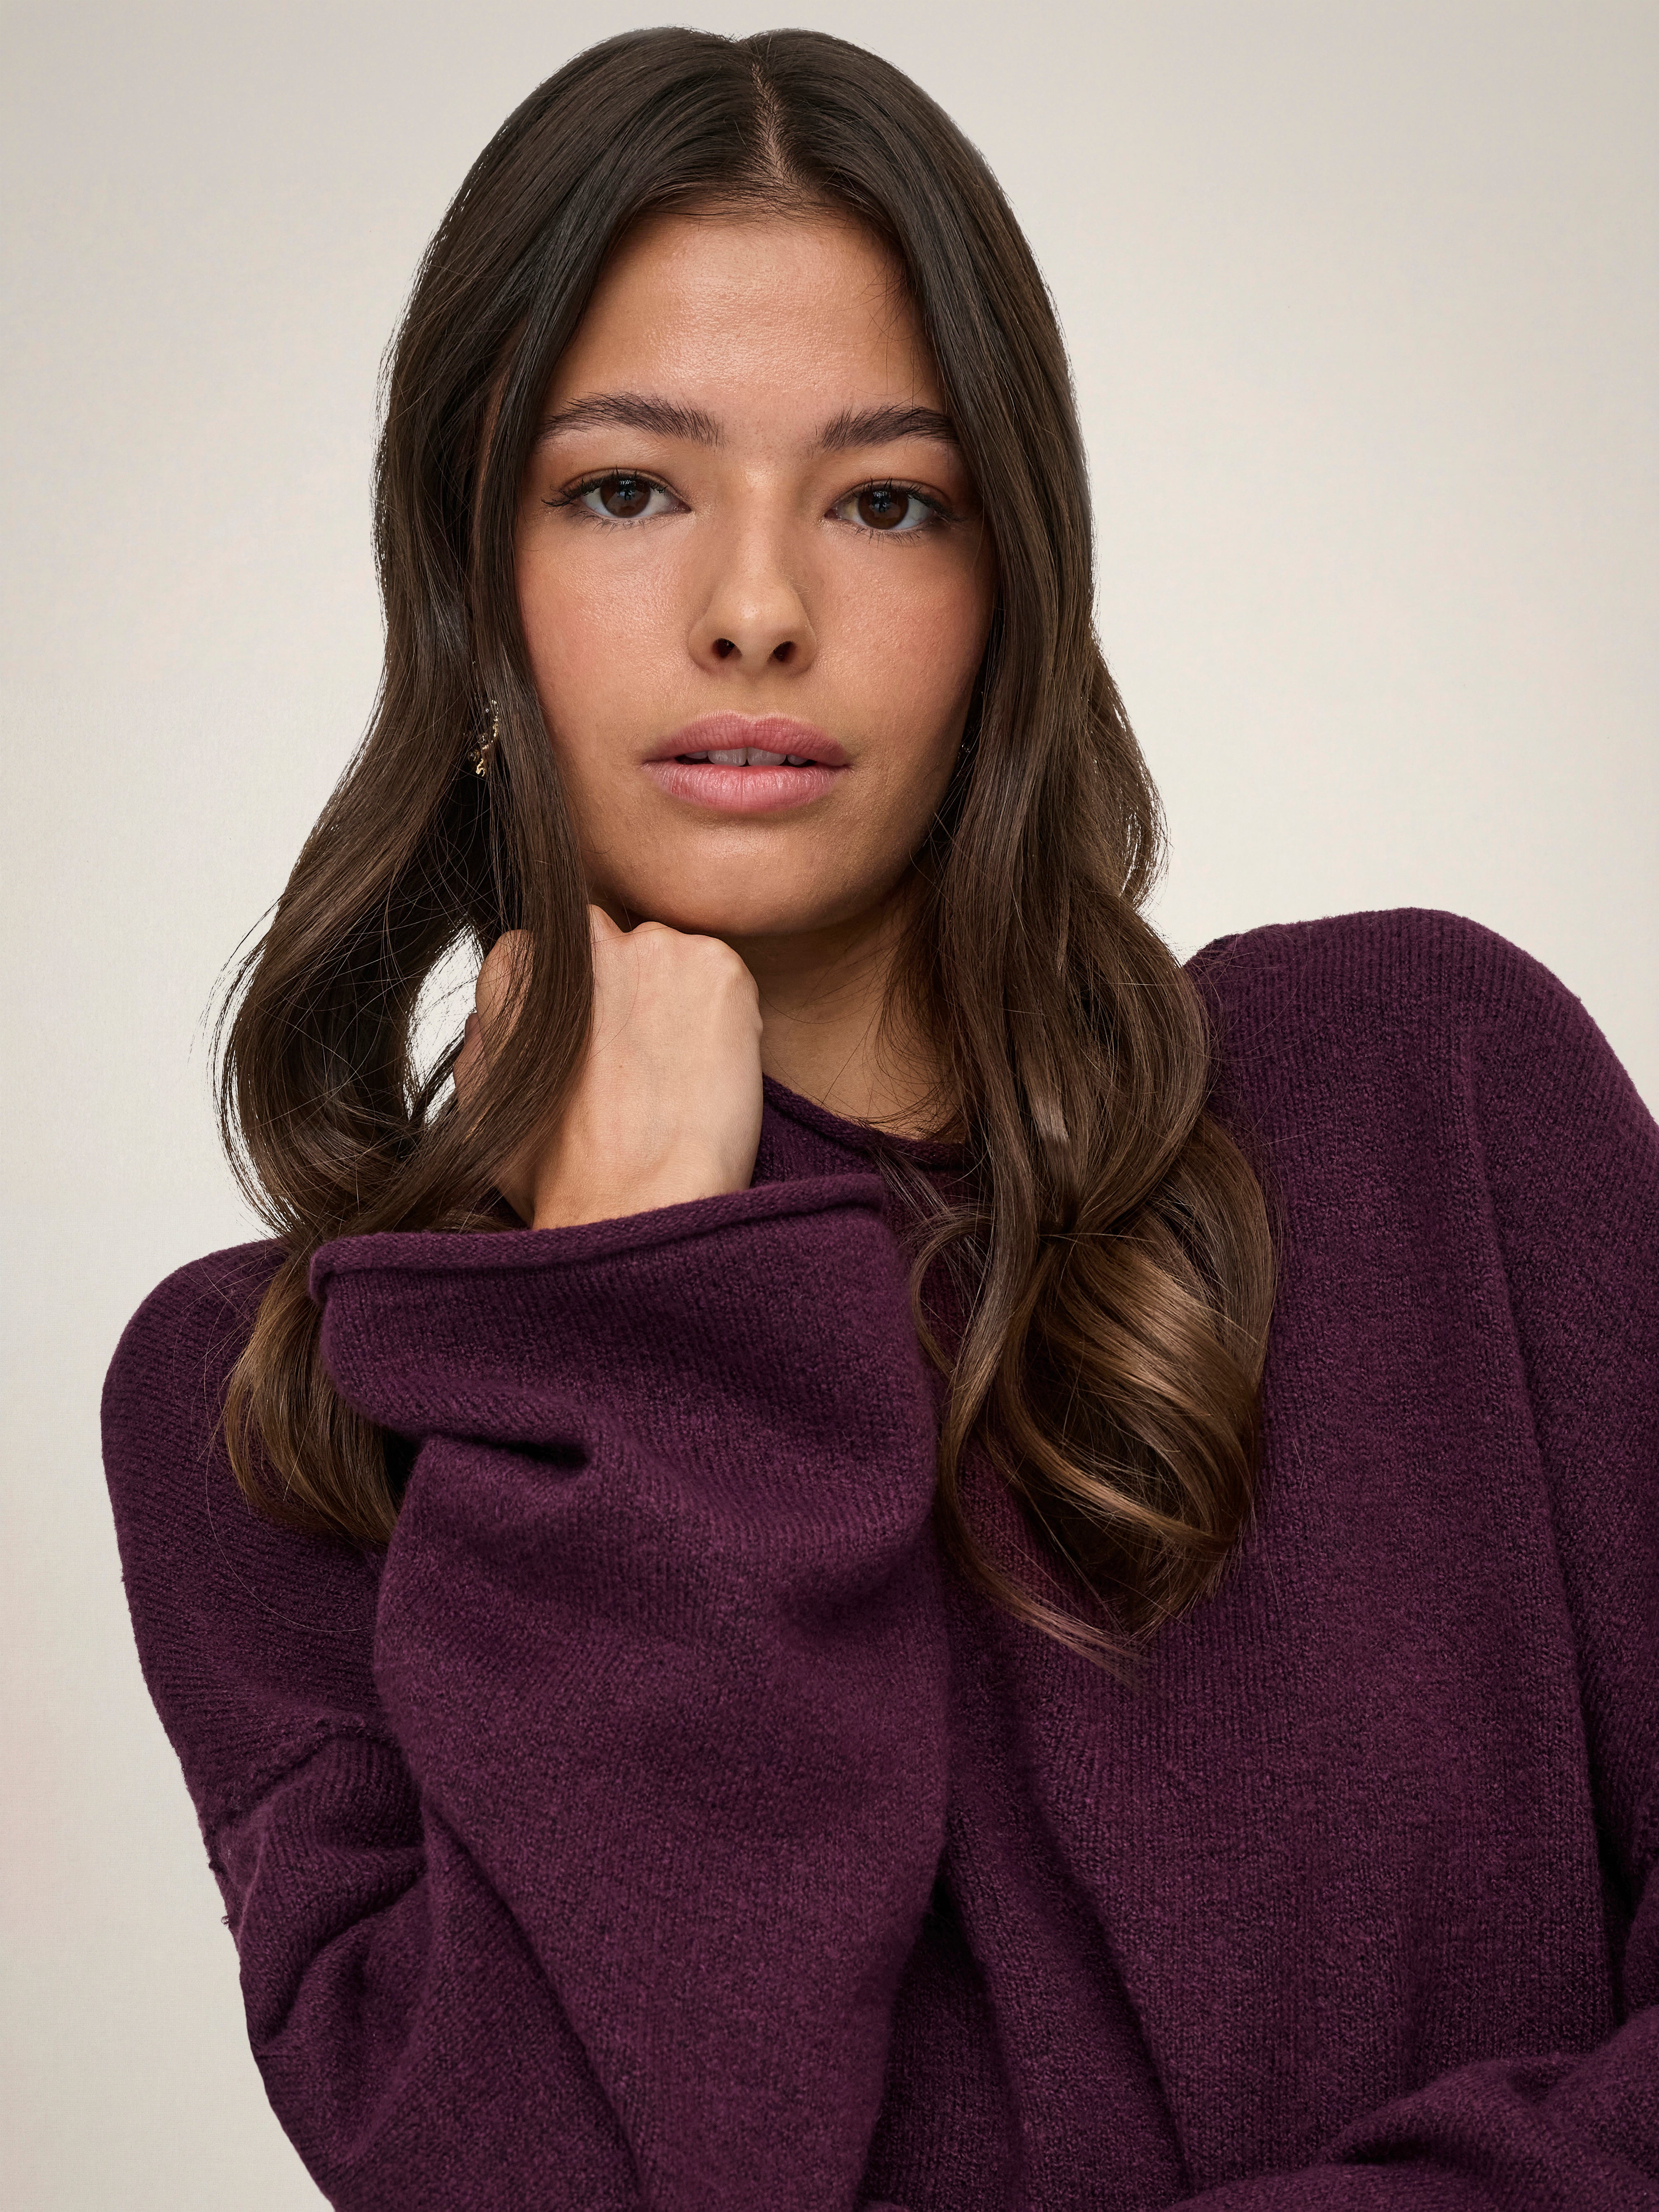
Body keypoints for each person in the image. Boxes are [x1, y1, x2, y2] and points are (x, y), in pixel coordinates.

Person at [100, 26, 1658, 2212]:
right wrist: (637, 1321)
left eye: (887, 500)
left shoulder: (1426, 1100)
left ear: (1008, 588)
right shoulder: (282, 1413)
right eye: (625, 489)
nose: (757, 611)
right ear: (470, 579)